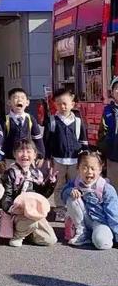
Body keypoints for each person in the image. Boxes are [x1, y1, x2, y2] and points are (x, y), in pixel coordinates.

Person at [0, 139, 57, 247]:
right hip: (17, 212)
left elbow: (42, 196)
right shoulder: (10, 173)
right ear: (14, 154)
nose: (25, 154)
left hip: (34, 211)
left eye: (29, 151)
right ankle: (18, 235)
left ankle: (27, 233)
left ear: (35, 155)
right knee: (31, 220)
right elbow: (6, 196)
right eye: (21, 151)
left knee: (50, 240)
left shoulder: (37, 174)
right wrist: (12, 208)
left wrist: (51, 183)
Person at [45, 88, 88, 221]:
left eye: (65, 103)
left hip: (75, 160)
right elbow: (46, 142)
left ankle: (74, 207)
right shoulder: (52, 121)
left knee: (76, 184)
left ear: (72, 104)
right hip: (58, 160)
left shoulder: (78, 121)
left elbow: (83, 140)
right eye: (58, 103)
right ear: (54, 105)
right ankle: (60, 209)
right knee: (59, 185)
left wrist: (85, 157)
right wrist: (47, 159)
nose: (62, 106)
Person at [62, 150, 118, 249]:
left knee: (103, 244)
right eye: (85, 167)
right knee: (71, 196)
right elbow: (63, 195)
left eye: (93, 168)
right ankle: (82, 232)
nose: (89, 172)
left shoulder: (106, 188)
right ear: (78, 168)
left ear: (100, 169)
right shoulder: (75, 182)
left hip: (100, 222)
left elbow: (113, 214)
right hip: (82, 220)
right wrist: (70, 191)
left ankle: (99, 234)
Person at [2, 88, 45, 166]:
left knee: (28, 177)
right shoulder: (5, 120)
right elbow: (2, 140)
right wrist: (1, 158)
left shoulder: (30, 119)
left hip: (28, 158)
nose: (19, 100)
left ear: (27, 102)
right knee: (11, 176)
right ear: (9, 102)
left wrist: (41, 155)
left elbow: (37, 138)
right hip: (10, 159)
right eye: (15, 98)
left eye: (22, 98)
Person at [99, 76, 118, 189]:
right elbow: (102, 132)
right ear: (112, 92)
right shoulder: (107, 110)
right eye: (116, 88)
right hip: (113, 157)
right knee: (113, 188)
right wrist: (104, 151)